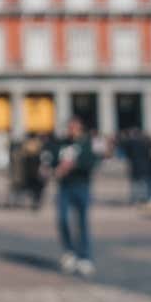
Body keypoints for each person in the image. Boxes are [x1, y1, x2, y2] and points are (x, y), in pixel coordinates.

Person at [49, 116, 98, 277]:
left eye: (74, 127)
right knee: (62, 219)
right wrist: (53, 168)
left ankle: (84, 257)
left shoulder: (87, 144)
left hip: (82, 186)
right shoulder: (60, 144)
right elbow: (51, 160)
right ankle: (69, 251)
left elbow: (92, 162)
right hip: (64, 187)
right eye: (69, 127)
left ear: (80, 128)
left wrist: (73, 165)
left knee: (82, 222)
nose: (71, 130)